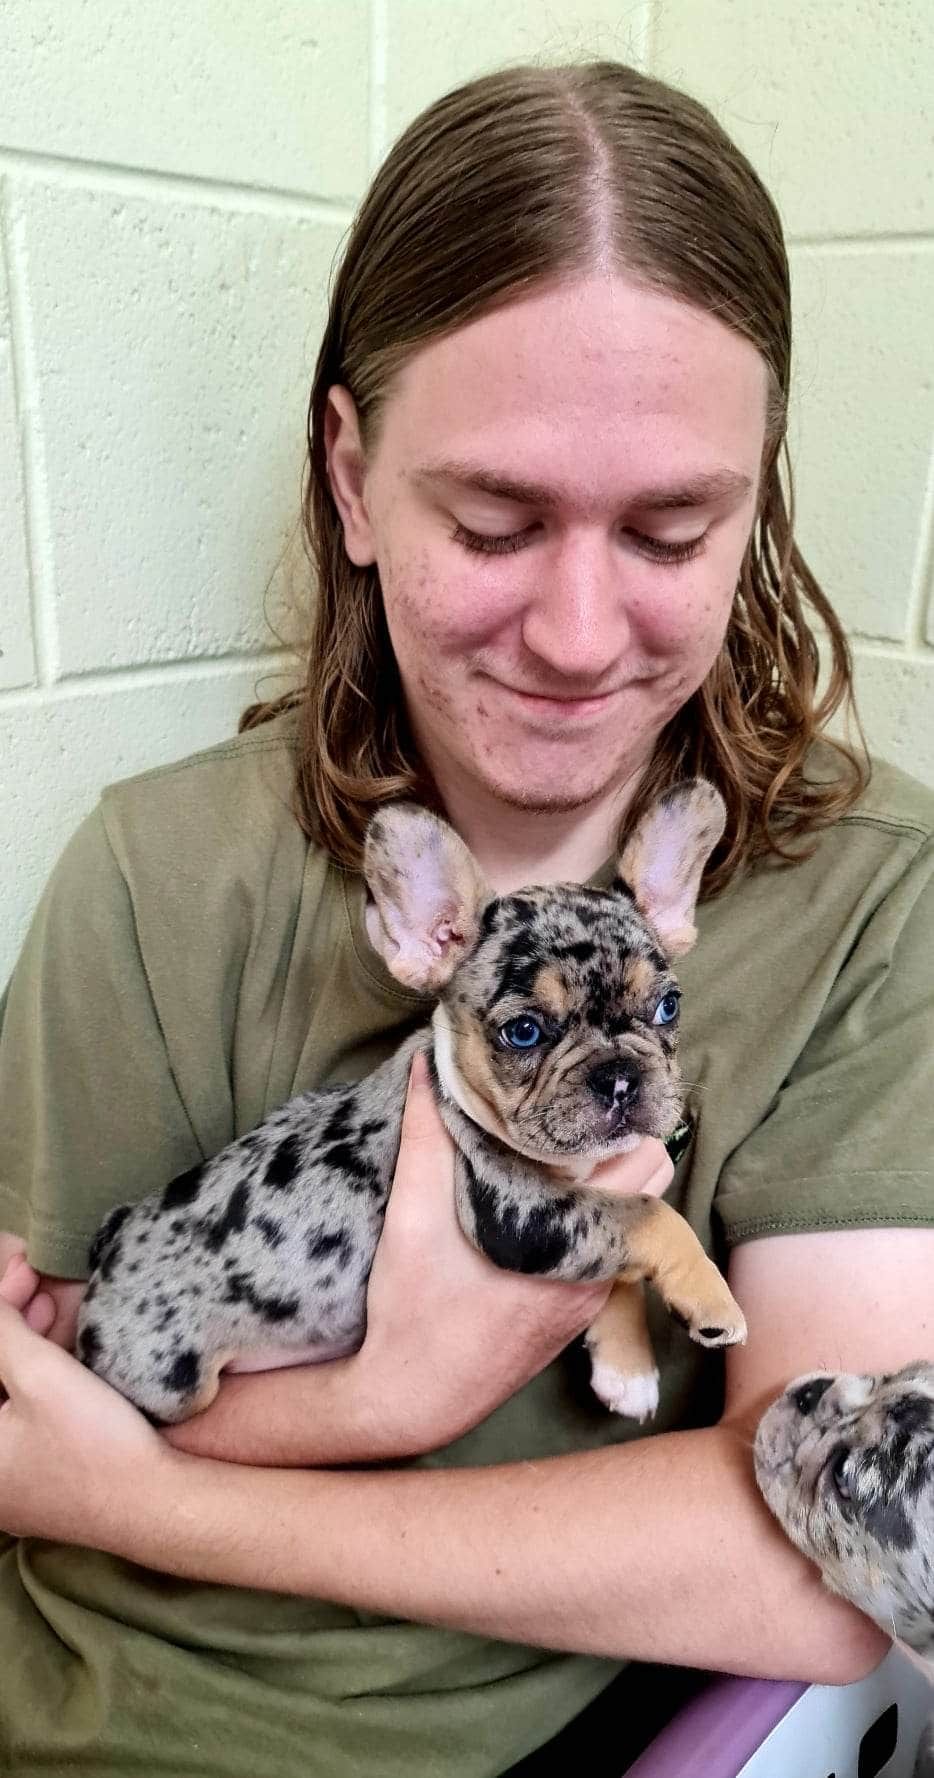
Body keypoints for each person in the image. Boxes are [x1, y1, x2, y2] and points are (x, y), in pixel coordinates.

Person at [1, 56, 932, 1778]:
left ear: (760, 496)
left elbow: (827, 1576)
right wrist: (333, 1405)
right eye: (493, 520)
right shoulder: (152, 869)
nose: (579, 637)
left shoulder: (878, 900)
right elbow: (42, 1404)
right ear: (351, 481)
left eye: (670, 526)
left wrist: (224, 1470)